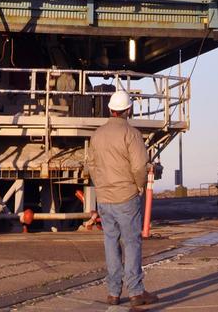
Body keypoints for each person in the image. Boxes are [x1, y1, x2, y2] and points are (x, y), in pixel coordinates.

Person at [86, 89, 158, 308]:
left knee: (111, 243)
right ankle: (136, 291)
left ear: (110, 109)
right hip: (126, 196)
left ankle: (113, 292)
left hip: (104, 198)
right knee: (132, 243)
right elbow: (139, 167)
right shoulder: (132, 134)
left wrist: (101, 187)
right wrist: (138, 186)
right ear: (129, 109)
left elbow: (91, 165)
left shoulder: (97, 135)